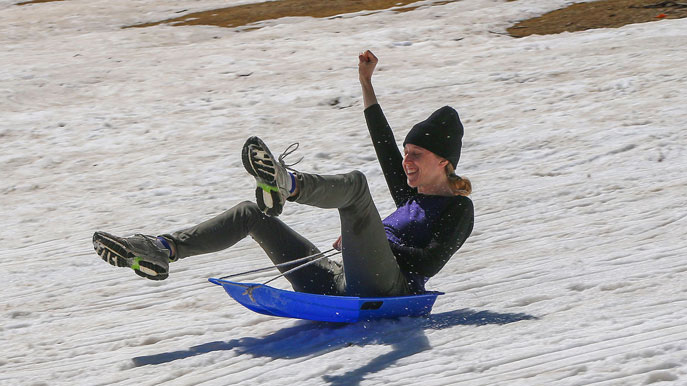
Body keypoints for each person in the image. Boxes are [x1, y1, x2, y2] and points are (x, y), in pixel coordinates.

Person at [93, 50, 474, 297]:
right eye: (406, 154)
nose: (405, 161)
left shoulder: (457, 210)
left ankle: (287, 183)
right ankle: (161, 250)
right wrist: (366, 83)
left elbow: (427, 263)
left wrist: (366, 243)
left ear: (443, 161)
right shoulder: (410, 194)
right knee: (250, 213)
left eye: (416, 155)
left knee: (356, 187)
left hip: (389, 289)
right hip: (343, 280)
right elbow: (382, 141)